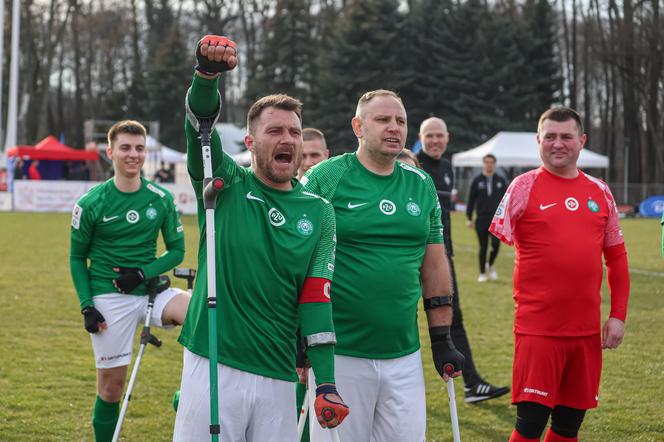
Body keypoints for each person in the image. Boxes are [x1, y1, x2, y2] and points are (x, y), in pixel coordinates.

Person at [172, 35, 349, 441]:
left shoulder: (320, 212)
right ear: (251, 142)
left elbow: (317, 297)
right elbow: (199, 125)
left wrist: (326, 382)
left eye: (294, 131)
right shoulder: (226, 182)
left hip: (278, 375)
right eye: (275, 131)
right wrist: (206, 75)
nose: (287, 139)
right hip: (213, 361)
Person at [301, 90, 464, 442]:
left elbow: (435, 265)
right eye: (383, 120)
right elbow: (297, 261)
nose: (394, 128)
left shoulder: (420, 184)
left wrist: (441, 338)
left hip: (404, 356)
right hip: (339, 355)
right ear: (358, 126)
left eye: (401, 121)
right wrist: (299, 340)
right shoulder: (325, 177)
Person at [490, 107, 630, 442]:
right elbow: (499, 237)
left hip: (584, 334)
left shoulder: (601, 191)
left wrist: (618, 316)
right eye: (550, 136)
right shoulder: (522, 187)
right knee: (530, 423)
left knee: (568, 426)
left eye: (566, 136)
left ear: (581, 141)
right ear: (538, 140)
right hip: (538, 330)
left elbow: (617, 258)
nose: (558, 144)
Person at [69, 120, 191, 442]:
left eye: (139, 148)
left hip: (150, 289)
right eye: (125, 147)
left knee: (200, 312)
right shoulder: (91, 203)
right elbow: (76, 258)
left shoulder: (160, 198)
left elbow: (177, 250)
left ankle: (189, 394)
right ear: (110, 152)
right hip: (108, 298)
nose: (133, 154)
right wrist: (87, 307)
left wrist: (143, 273)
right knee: (111, 389)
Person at [416, 117, 510, 403]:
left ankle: (472, 384)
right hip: (408, 256)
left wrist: (448, 252)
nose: (434, 141)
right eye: (429, 136)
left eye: (439, 136)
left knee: (453, 317)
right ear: (421, 138)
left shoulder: (446, 168)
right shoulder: (410, 164)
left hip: (443, 256)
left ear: (447, 137)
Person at [466, 153, 508, 281]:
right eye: (487, 162)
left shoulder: (500, 180)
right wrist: (469, 217)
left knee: (496, 245)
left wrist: (507, 218)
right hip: (482, 219)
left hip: (497, 219)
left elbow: (506, 200)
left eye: (491, 162)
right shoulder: (477, 181)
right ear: (483, 164)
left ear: (495, 164)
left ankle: (490, 264)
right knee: (483, 246)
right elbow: (471, 200)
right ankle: (482, 273)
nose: (489, 164)